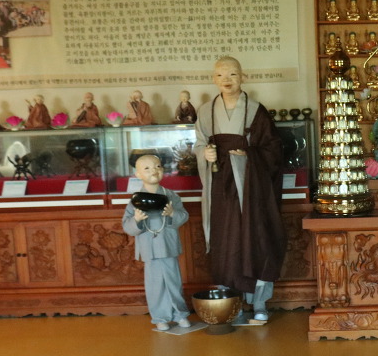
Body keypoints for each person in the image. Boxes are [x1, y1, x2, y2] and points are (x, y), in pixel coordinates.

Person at [194, 57, 286, 323]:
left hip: (251, 187)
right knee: (225, 243)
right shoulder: (205, 111)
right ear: (214, 79)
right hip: (219, 188)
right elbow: (198, 144)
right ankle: (229, 302)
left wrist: (249, 155)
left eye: (233, 74)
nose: (227, 80)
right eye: (221, 75)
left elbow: (273, 149)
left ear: (242, 77)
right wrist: (205, 154)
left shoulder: (256, 110)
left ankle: (259, 302)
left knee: (255, 240)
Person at [122, 154, 192, 332]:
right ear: (138, 174)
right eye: (147, 168)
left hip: (167, 245)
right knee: (155, 285)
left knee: (174, 282)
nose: (154, 170)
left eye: (158, 166)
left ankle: (180, 315)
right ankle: (160, 318)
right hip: (150, 247)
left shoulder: (171, 195)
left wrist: (172, 214)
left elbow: (184, 216)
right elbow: (127, 226)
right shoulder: (135, 200)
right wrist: (137, 219)